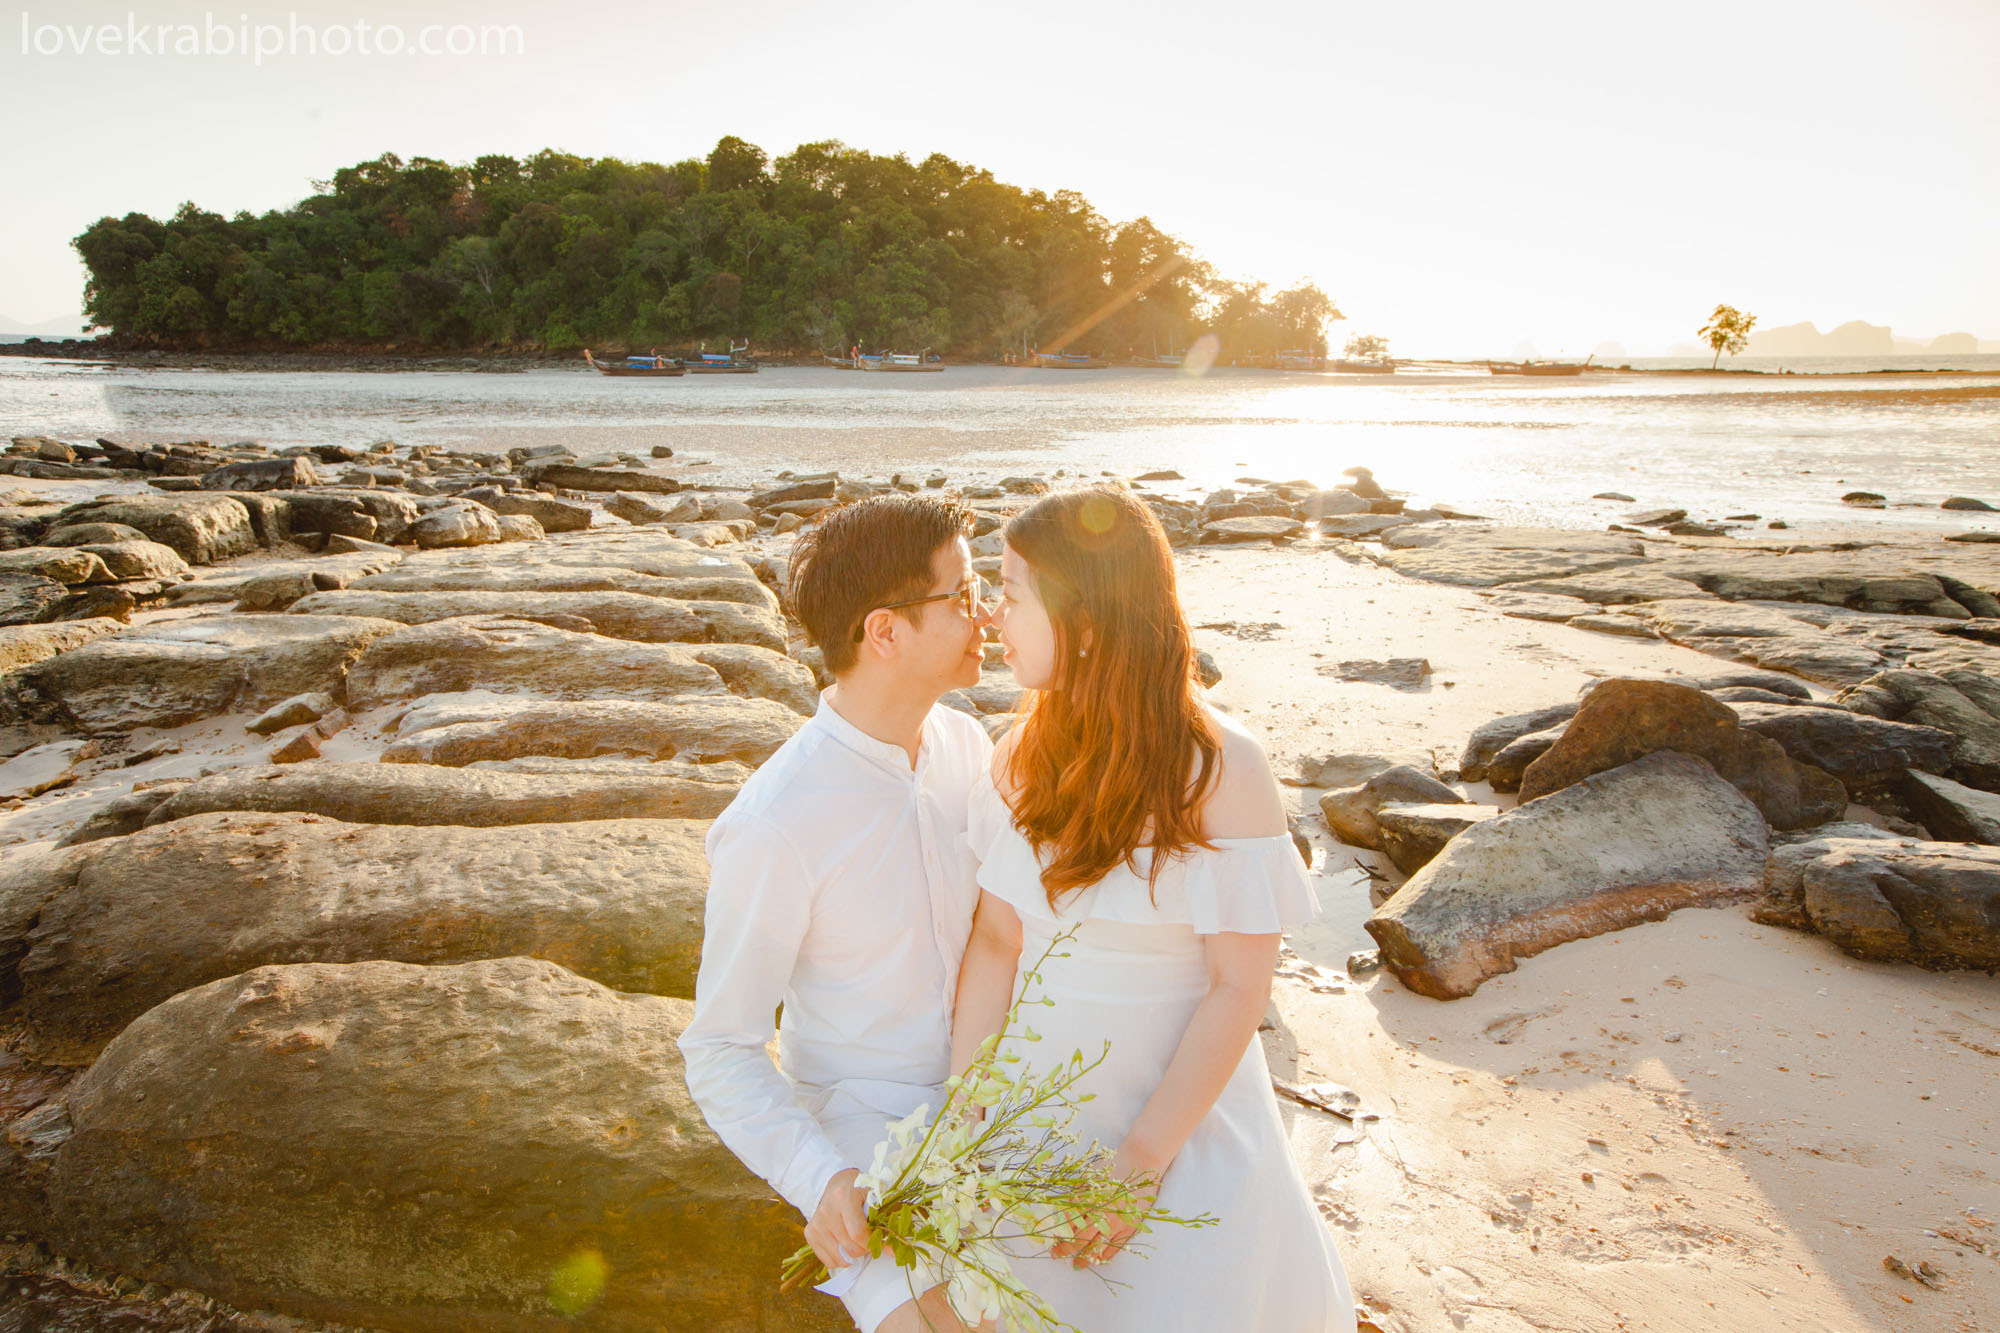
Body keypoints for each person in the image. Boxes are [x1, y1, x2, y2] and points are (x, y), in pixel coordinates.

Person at [951, 485, 1357, 1331]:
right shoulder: (1019, 754)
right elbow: (995, 943)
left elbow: (1238, 988)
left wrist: (1140, 1161)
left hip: (1178, 1123)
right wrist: (962, 1116)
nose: (992, 616)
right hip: (1037, 1113)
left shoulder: (1224, 769)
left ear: (1088, 620)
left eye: (1012, 593)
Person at [679, 495, 996, 1333]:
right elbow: (719, 1047)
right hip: (864, 1116)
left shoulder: (968, 745)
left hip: (994, 1093)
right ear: (884, 632)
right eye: (962, 596)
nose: (986, 613)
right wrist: (822, 1177)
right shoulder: (776, 820)